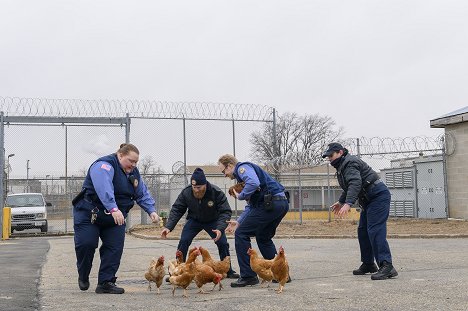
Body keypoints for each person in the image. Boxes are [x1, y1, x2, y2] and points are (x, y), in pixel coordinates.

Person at [73, 143, 159, 294]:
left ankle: (106, 282)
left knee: (114, 248)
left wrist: (151, 210)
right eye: (130, 161)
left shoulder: (133, 173)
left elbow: (141, 193)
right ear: (120, 155)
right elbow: (103, 187)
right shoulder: (104, 166)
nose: (133, 165)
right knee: (86, 244)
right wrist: (113, 208)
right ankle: (83, 273)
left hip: (115, 217)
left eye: (135, 162)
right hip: (90, 213)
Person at [322, 142, 398, 280]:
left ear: (340, 152)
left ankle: (387, 266)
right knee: (363, 230)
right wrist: (341, 201)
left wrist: (348, 203)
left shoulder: (349, 163)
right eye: (328, 157)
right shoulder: (342, 165)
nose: (329, 159)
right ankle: (369, 264)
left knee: (375, 230)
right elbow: (349, 186)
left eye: (331, 155)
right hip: (368, 199)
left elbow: (355, 183)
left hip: (377, 197)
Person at [218, 154, 290, 287]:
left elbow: (254, 183)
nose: (224, 174)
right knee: (263, 237)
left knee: (241, 233)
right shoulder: (244, 179)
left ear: (230, 166)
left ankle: (248, 276)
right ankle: (281, 274)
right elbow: (251, 206)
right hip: (280, 203)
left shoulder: (242, 168)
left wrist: (241, 196)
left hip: (271, 204)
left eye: (224, 171)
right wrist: (239, 221)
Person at [160, 167, 239, 279]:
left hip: (213, 221)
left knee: (222, 243)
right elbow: (177, 209)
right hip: (194, 220)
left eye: (199, 187)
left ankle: (229, 270)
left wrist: (220, 228)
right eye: (194, 187)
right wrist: (168, 227)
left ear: (205, 185)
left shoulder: (216, 192)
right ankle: (178, 271)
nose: (196, 190)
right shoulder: (186, 192)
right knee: (184, 241)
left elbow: (225, 211)